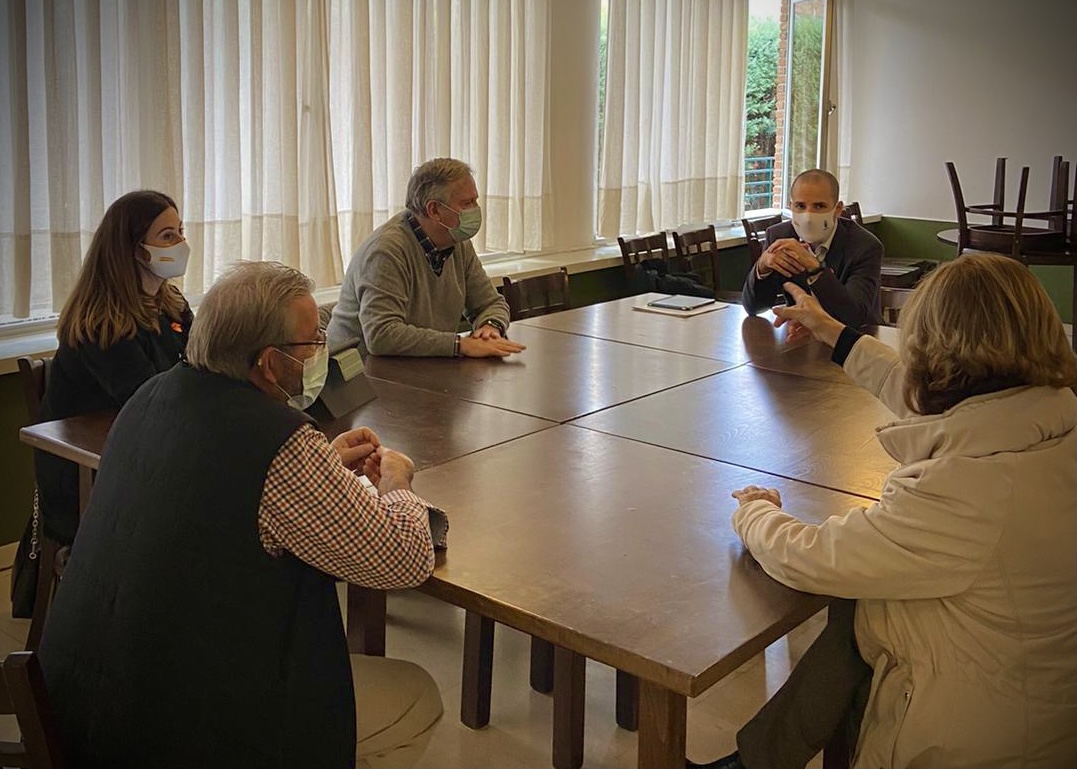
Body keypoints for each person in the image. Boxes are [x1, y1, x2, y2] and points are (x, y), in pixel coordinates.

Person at [40, 261, 445, 768]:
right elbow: (403, 560)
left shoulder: (151, 396)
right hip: (182, 732)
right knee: (416, 694)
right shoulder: (280, 442)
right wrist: (398, 481)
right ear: (269, 363)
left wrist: (320, 464)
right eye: (310, 342)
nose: (322, 348)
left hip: (78, 705)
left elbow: (216, 484)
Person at [693, 253, 1077, 768]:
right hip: (1042, 699)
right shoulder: (1047, 415)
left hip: (970, 737)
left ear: (934, 351)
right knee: (859, 613)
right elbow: (928, 400)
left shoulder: (967, 487)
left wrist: (755, 514)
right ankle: (760, 758)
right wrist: (831, 329)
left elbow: (813, 557)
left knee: (856, 600)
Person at [35, 190, 193, 549]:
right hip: (89, 479)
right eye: (168, 236)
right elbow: (150, 396)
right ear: (134, 249)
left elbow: (201, 363)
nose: (182, 243)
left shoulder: (171, 304)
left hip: (144, 453)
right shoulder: (101, 323)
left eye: (180, 231)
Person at [327, 156, 526, 358]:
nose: (475, 209)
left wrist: (489, 327)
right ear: (434, 210)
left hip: (417, 369)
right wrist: (459, 344)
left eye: (475, 200)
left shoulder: (458, 242)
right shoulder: (386, 251)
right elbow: (381, 334)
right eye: (466, 203)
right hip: (361, 375)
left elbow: (490, 303)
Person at [741, 169, 883, 328]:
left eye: (819, 206)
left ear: (837, 209)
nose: (808, 216)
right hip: (800, 337)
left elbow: (854, 317)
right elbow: (755, 308)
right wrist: (762, 267)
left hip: (858, 340)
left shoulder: (864, 246)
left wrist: (814, 267)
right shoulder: (779, 236)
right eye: (800, 206)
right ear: (790, 206)